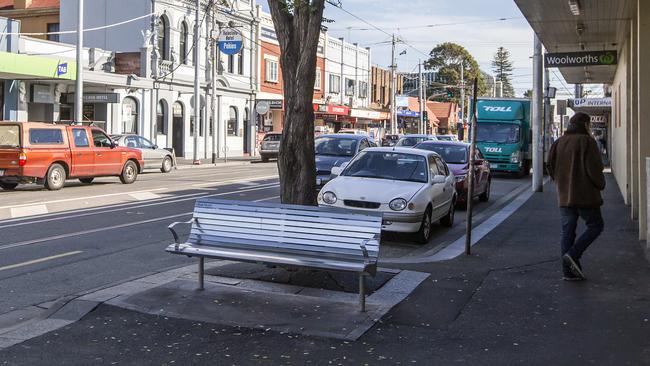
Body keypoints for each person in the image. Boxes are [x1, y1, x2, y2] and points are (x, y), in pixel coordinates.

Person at [547, 112, 606, 281]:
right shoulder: (587, 142)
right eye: (589, 124)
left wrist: (559, 181)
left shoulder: (559, 142)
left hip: (564, 196)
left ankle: (568, 272)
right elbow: (594, 169)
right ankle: (574, 253)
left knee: (567, 232)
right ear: (585, 125)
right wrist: (600, 184)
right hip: (585, 195)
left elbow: (549, 165)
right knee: (596, 225)